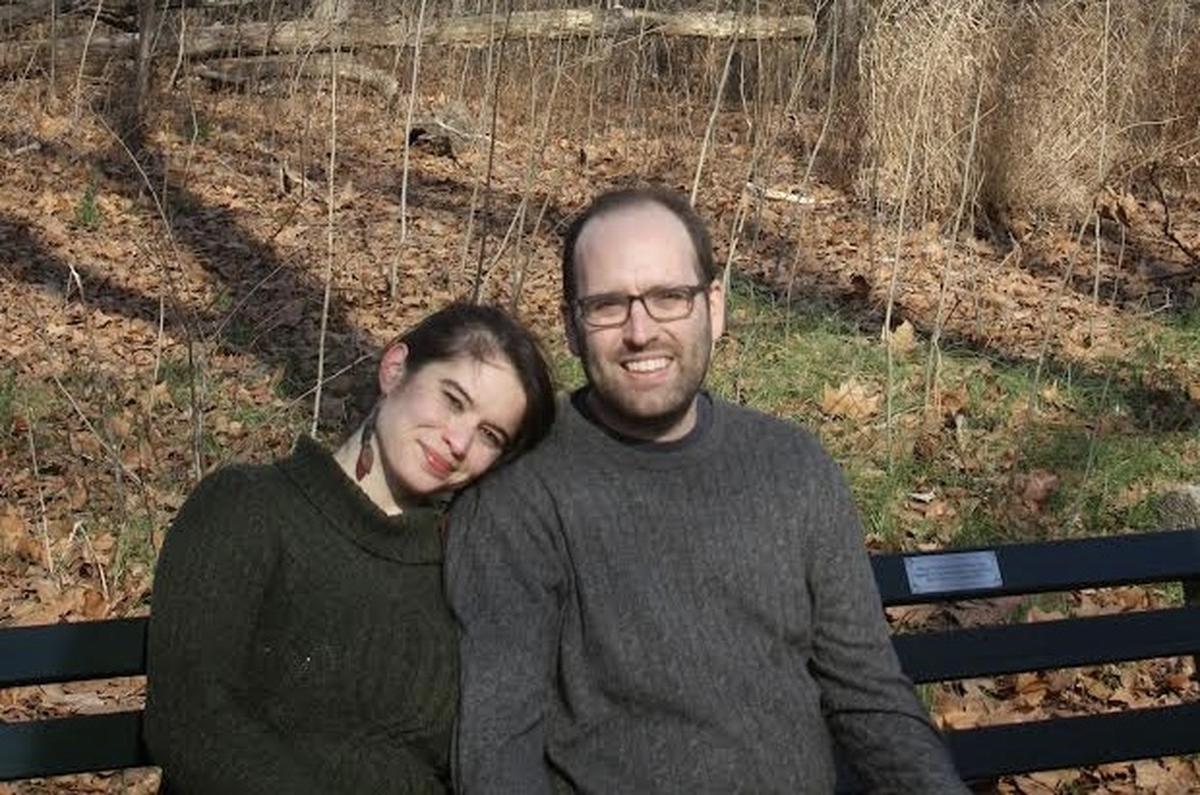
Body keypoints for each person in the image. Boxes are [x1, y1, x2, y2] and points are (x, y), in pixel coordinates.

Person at [446, 188, 970, 794]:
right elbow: (498, 753)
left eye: (669, 297)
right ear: (571, 326)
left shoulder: (792, 467)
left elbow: (869, 695)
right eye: (609, 306)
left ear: (713, 307)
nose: (641, 331)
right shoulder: (524, 492)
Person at [144, 302, 555, 794]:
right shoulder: (248, 509)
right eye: (452, 399)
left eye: (490, 434)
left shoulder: (463, 569)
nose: (459, 441)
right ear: (395, 368)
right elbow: (191, 723)